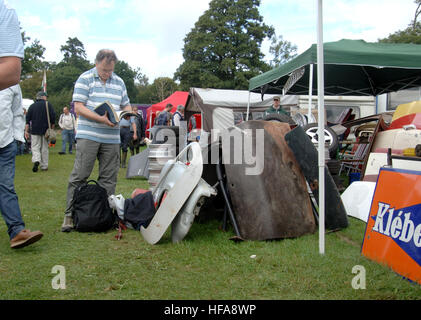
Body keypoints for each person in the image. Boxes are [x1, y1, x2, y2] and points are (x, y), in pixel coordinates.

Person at [61, 49, 132, 232]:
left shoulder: (120, 81)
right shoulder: (85, 78)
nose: (107, 74)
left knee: (109, 178)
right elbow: (78, 107)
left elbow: (125, 103)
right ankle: (69, 215)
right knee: (80, 175)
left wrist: (128, 112)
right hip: (88, 135)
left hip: (112, 137)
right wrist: (100, 118)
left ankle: (104, 215)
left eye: (110, 71)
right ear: (96, 63)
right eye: (104, 71)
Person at [0, 0, 43, 249]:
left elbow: (18, 113)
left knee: (5, 185)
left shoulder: (12, 83)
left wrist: (17, 137)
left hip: (4, 138)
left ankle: (16, 231)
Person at [25, 91, 55, 172]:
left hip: (34, 130)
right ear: (43, 97)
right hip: (46, 131)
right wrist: (52, 128)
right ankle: (44, 166)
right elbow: (53, 118)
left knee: (35, 147)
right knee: (44, 148)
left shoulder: (32, 106)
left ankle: (36, 160)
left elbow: (27, 120)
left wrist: (26, 131)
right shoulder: (48, 105)